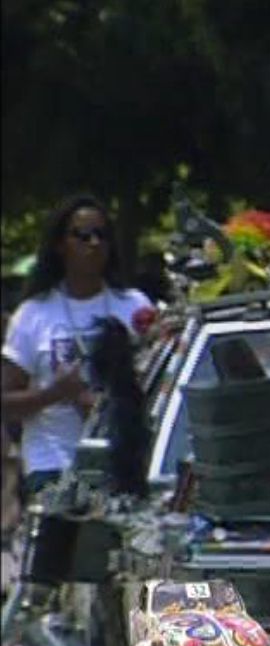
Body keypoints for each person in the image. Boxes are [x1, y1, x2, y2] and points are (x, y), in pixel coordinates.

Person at [1, 195, 152, 496]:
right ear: (60, 245)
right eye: (82, 236)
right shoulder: (34, 314)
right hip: (53, 464)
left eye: (101, 235)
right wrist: (54, 393)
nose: (94, 243)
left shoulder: (133, 306)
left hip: (122, 463)